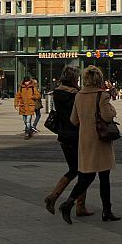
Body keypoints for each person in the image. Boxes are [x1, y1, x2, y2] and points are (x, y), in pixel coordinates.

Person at [59, 66, 120, 224]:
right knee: (104, 177)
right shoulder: (102, 95)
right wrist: (113, 111)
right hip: (100, 141)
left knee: (87, 176)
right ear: (98, 79)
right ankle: (106, 211)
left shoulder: (79, 95)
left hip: (85, 141)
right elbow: (107, 116)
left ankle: (69, 203)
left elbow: (74, 120)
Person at [44, 66, 93, 217]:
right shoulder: (76, 95)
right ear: (73, 78)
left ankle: (62, 199)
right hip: (76, 135)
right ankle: (69, 202)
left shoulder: (57, 93)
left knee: (75, 169)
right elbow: (80, 116)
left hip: (63, 136)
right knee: (84, 171)